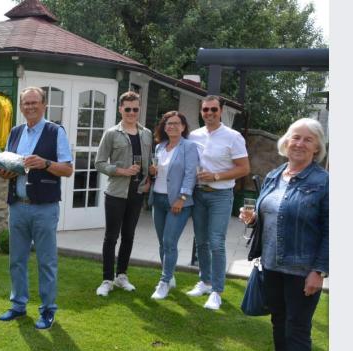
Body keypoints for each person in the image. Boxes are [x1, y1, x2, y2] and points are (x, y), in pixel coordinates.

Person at [239, 118, 328, 351]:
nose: (300, 143)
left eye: (307, 139)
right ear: (286, 142)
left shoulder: (323, 182)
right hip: (272, 265)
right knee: (279, 325)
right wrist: (254, 218)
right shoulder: (276, 174)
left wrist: (319, 270)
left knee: (297, 331)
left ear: (316, 148)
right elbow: (272, 212)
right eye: (295, 137)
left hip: (302, 271)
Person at [0, 87, 73, 330]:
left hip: (44, 207)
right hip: (18, 205)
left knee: (46, 261)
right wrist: (4, 171)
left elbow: (68, 169)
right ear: (21, 106)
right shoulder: (15, 132)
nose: (30, 106)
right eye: (26, 103)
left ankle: (48, 310)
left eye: (34, 102)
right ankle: (18, 305)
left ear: (44, 105)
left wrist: (45, 163)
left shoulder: (55, 131)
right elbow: (10, 166)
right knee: (16, 259)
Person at [187, 95, 250, 310]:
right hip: (198, 194)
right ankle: (205, 282)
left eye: (214, 110)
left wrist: (216, 176)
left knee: (216, 242)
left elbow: (244, 168)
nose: (209, 114)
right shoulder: (194, 135)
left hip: (221, 195)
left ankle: (217, 291)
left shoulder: (233, 137)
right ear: (201, 111)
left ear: (221, 111)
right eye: (205, 110)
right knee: (201, 241)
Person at [94, 91, 152, 296]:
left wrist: (149, 181)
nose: (131, 113)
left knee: (129, 236)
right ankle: (107, 279)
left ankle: (122, 276)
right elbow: (99, 163)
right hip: (116, 193)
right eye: (127, 109)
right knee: (111, 237)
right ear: (120, 109)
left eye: (135, 109)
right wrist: (122, 171)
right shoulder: (111, 133)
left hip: (137, 193)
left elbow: (149, 163)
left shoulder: (146, 133)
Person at [147, 111, 199, 300]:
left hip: (178, 202)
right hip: (158, 200)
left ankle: (164, 282)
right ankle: (169, 276)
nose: (172, 126)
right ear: (164, 127)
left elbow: (190, 174)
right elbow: (158, 174)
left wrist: (183, 197)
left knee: (170, 242)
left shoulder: (189, 147)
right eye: (168, 123)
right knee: (163, 243)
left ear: (183, 127)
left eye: (176, 123)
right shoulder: (160, 147)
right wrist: (152, 171)